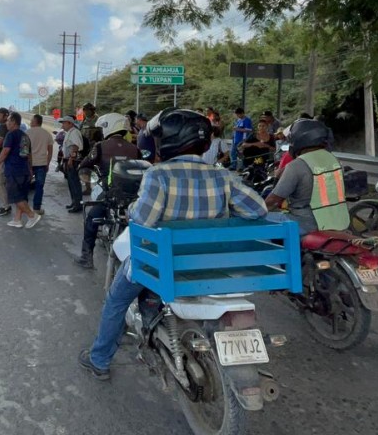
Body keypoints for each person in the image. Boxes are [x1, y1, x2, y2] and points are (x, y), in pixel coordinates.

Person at [78, 109, 268, 380]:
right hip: (210, 264)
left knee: (116, 300)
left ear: (168, 140)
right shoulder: (222, 176)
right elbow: (258, 209)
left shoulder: (159, 175)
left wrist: (131, 208)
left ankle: (100, 360)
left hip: (161, 263)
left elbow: (143, 220)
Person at [74, 113, 140, 269]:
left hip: (109, 194)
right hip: (133, 197)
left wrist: (88, 178)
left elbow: (84, 165)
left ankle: (87, 257)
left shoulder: (100, 146)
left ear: (108, 127)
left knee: (91, 219)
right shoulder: (135, 149)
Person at [265, 118, 349, 235]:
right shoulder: (333, 159)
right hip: (338, 221)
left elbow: (274, 200)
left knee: (261, 221)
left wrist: (257, 210)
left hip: (306, 223)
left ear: (298, 139)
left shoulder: (297, 165)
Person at [0, 112, 41, 228]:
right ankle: (17, 220)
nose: (6, 123)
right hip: (24, 171)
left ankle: (32, 215)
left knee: (16, 197)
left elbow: (5, 151)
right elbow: (28, 155)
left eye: (8, 120)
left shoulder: (11, 135)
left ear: (14, 122)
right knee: (21, 195)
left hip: (14, 171)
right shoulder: (25, 136)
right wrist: (30, 169)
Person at [28, 114, 54, 215]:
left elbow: (23, 151)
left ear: (35, 121)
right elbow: (50, 152)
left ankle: (23, 207)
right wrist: (47, 163)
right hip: (42, 164)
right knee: (39, 186)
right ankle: (36, 208)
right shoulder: (47, 134)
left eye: (31, 120)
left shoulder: (27, 133)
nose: (30, 122)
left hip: (28, 164)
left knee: (25, 185)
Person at [59, 115, 84, 212]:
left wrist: (71, 159)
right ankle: (74, 202)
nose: (62, 125)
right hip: (69, 159)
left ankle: (77, 204)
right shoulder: (70, 132)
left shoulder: (74, 132)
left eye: (64, 123)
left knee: (74, 183)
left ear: (70, 123)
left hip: (73, 160)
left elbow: (75, 146)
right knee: (71, 183)